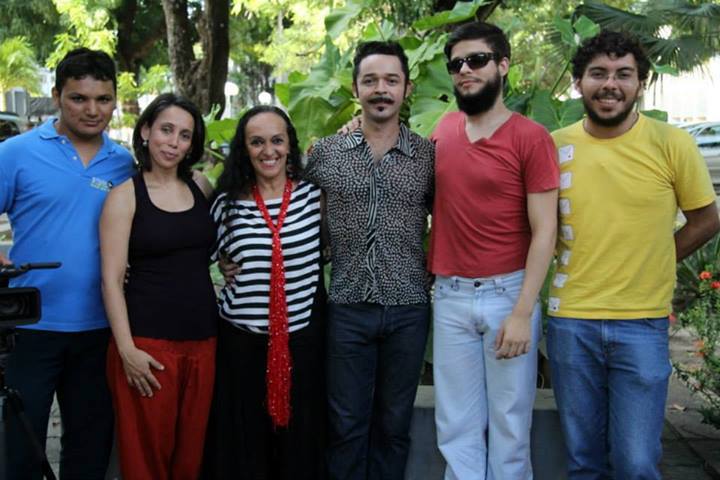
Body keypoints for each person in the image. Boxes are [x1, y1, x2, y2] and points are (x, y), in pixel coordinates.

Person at [546, 30, 720, 479]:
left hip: (641, 322)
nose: (610, 84)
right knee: (583, 461)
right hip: (571, 320)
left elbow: (706, 218)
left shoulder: (672, 144)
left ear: (641, 83)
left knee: (636, 463)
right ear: (578, 83)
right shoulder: (552, 146)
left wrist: (659, 255)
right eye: (598, 73)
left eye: (623, 74)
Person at [430, 22, 559, 480]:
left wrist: (523, 311)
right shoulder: (443, 130)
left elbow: (545, 230)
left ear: (503, 65)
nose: (465, 70)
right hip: (450, 296)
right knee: (455, 427)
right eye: (457, 64)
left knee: (509, 426)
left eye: (477, 60)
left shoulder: (531, 137)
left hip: (508, 296)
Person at [0, 48, 133, 480]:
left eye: (103, 99)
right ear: (57, 95)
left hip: (101, 329)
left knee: (89, 450)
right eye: (79, 98)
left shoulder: (124, 163)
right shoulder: (16, 153)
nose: (92, 110)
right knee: (20, 449)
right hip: (30, 326)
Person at [305, 41, 435, 480]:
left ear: (406, 88)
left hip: (409, 309)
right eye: (371, 80)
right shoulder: (325, 154)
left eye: (391, 80)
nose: (381, 89)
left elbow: (452, 218)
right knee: (345, 425)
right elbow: (290, 210)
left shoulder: (427, 156)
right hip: (347, 308)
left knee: (394, 426)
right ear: (355, 87)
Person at [202, 105, 326, 479]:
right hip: (241, 346)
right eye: (257, 142)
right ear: (244, 149)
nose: (268, 151)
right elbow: (191, 258)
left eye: (277, 140)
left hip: (300, 343)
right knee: (245, 447)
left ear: (290, 145)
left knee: (299, 446)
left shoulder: (314, 198)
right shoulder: (226, 205)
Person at [100, 93, 217, 479]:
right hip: (147, 345)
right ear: (146, 131)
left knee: (191, 457)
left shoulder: (201, 186)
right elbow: (111, 280)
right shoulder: (124, 196)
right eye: (166, 130)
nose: (174, 142)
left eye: (185, 135)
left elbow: (214, 247)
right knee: (146, 459)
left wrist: (230, 263)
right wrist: (127, 350)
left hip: (203, 340)